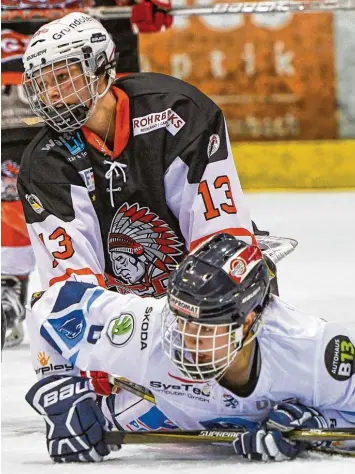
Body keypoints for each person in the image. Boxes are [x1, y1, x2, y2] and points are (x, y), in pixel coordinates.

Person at [25, 233, 354, 463]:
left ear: (248, 321)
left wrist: (320, 427)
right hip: (165, 407)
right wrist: (65, 399)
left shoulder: (313, 349)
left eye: (206, 325)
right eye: (181, 318)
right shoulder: (147, 329)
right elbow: (48, 306)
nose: (186, 337)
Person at [1, 0, 172, 348]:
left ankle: (132, 274)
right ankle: (9, 276)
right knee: (14, 172)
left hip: (91, 44)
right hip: (13, 57)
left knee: (119, 175)